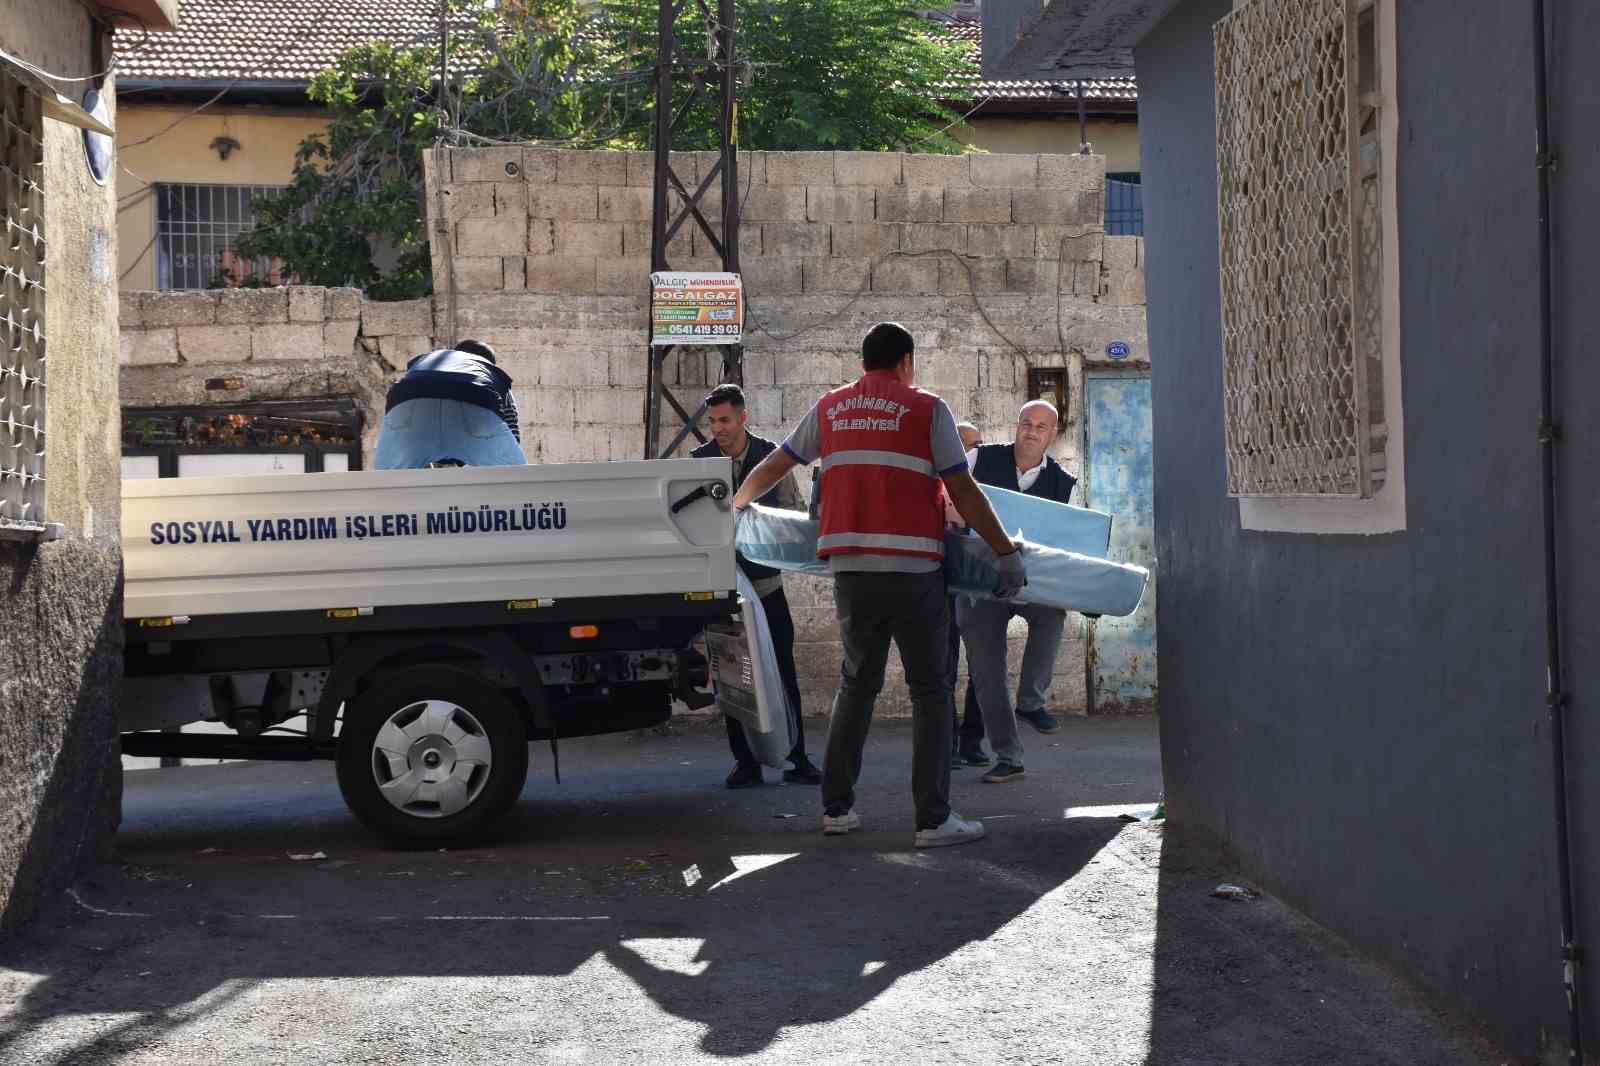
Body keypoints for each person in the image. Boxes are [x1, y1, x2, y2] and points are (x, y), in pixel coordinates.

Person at [733, 322, 1025, 849]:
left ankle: (837, 809)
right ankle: (933, 820)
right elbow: (961, 487)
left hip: (851, 572)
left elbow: (777, 462)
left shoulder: (831, 407)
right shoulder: (926, 408)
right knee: (930, 691)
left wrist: (736, 505)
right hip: (914, 571)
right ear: (906, 362)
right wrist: (1004, 552)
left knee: (857, 685)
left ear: (864, 361)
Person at [691, 383, 823, 789]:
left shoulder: (770, 456)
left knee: (783, 672)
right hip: (724, 591)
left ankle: (797, 757)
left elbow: (791, 515)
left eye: (725, 420)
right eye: (712, 421)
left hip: (765, 586)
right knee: (732, 676)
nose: (718, 429)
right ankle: (745, 762)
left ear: (743, 417)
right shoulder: (699, 461)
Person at [958, 399, 1078, 783]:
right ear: (1017, 425)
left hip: (1031, 580)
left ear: (1052, 434)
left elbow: (1065, 540)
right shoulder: (979, 459)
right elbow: (952, 497)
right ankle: (1008, 757)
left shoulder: (1063, 482)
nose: (1031, 431)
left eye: (1041, 426)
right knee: (987, 671)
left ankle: (1030, 701)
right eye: (1027, 423)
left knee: (1052, 613)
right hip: (979, 577)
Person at [375, 339, 526, 469]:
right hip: (475, 393)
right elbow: (512, 428)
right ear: (490, 362)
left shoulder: (427, 361)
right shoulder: (488, 371)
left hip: (405, 396)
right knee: (513, 477)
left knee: (391, 479)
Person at [945, 422, 987, 768]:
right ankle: (946, 742)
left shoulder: (985, 483)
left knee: (980, 667)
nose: (974, 451)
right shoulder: (938, 478)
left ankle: (972, 742)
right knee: (943, 666)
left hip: (975, 584)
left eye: (978, 445)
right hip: (943, 585)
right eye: (967, 444)